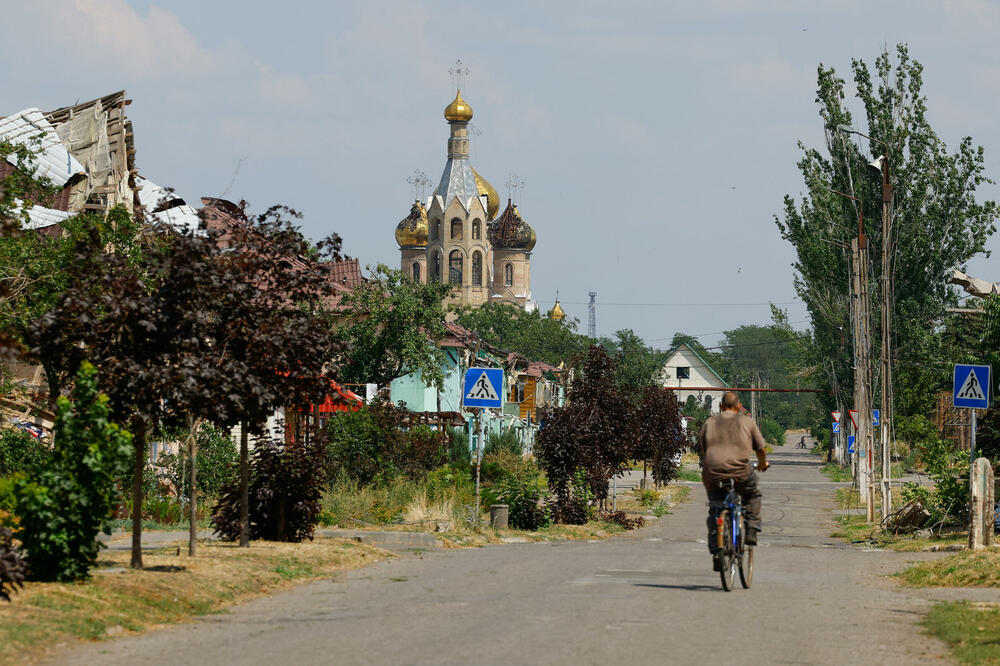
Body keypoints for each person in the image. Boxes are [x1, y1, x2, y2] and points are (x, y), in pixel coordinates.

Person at [698, 391, 769, 557]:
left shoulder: (709, 422)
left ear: (721, 406)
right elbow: (761, 448)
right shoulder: (746, 421)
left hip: (712, 473)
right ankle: (751, 528)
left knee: (715, 506)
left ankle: (717, 548)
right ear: (738, 407)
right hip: (740, 472)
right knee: (753, 495)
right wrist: (762, 463)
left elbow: (703, 449)